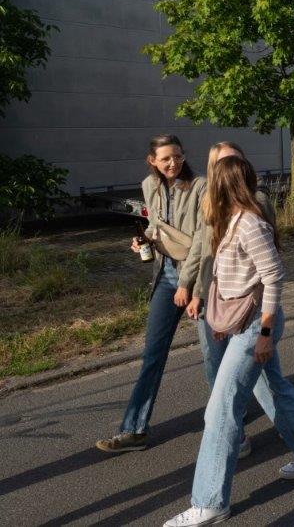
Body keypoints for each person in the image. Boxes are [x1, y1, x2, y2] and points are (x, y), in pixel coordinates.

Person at [164, 156, 294, 527]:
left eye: (211, 183)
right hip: (243, 321)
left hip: (257, 324)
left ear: (222, 186)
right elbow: (231, 277)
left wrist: (265, 335)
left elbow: (273, 278)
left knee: (220, 410)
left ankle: (210, 502)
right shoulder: (229, 220)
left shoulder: (250, 224)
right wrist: (222, 320)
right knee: (274, 388)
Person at [96, 135, 206, 453]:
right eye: (166, 158)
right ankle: (134, 430)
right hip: (165, 277)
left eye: (178, 156)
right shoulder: (149, 186)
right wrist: (143, 239)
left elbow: (204, 240)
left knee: (216, 357)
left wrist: (189, 286)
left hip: (199, 279)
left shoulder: (200, 187)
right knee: (152, 356)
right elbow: (156, 225)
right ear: (152, 161)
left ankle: (239, 416)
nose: (173, 163)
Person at [190, 142, 279, 460]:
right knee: (229, 372)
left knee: (231, 396)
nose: (227, 170)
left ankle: (225, 451)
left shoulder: (251, 216)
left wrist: (266, 331)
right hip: (223, 306)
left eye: (233, 163)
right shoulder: (213, 206)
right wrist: (200, 296)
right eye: (220, 164)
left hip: (252, 311)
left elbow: (270, 273)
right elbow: (206, 256)